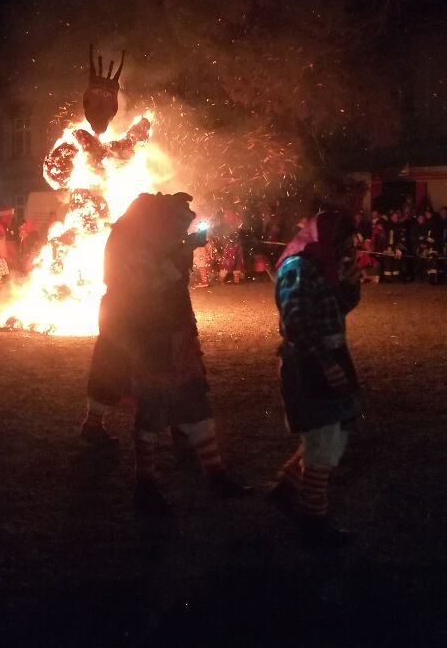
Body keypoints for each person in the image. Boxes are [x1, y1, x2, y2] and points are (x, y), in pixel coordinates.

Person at [85, 191, 250, 515]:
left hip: (171, 331)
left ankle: (215, 474)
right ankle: (145, 484)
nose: (180, 230)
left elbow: (166, 266)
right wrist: (183, 250)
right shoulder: (134, 246)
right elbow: (152, 281)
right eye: (176, 224)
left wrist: (184, 247)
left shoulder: (146, 238)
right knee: (149, 401)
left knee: (193, 395)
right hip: (148, 333)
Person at [267, 210, 362, 546]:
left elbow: (334, 310)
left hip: (328, 355)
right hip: (308, 361)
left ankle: (284, 490)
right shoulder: (298, 267)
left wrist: (350, 286)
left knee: (328, 433)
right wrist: (324, 362)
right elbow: (295, 323)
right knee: (325, 440)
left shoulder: (322, 265)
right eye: (344, 241)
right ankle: (313, 518)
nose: (349, 247)